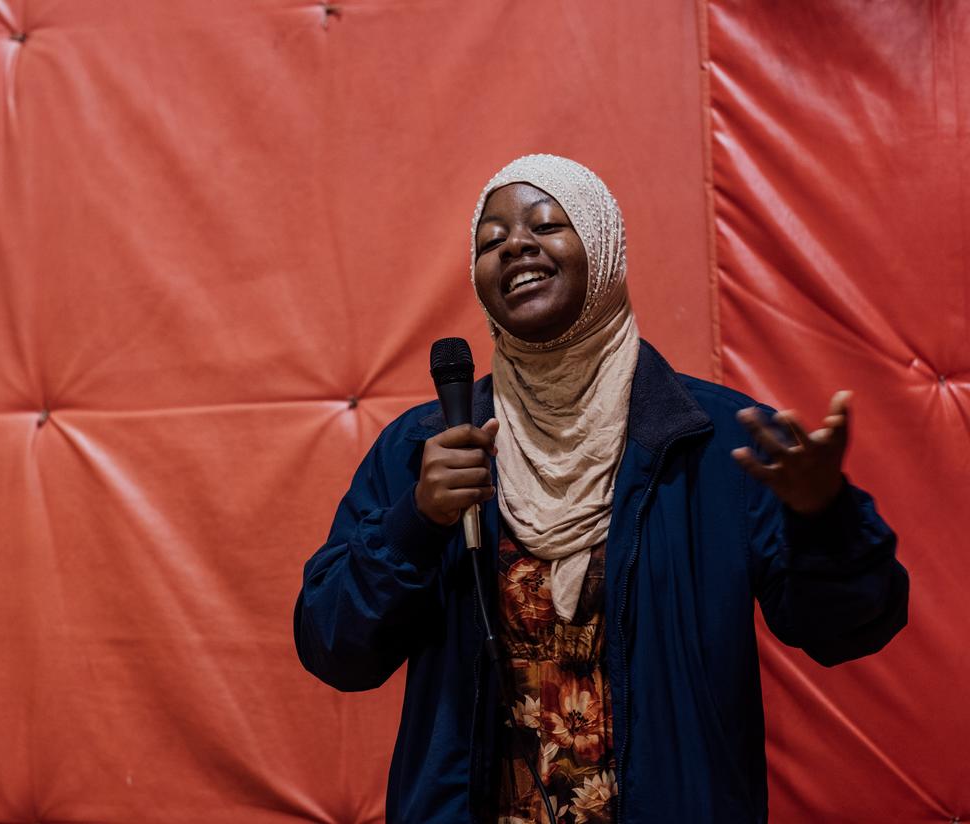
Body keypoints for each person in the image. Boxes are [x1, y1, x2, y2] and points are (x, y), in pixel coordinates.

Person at [293, 154, 908, 824]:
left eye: (547, 224)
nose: (516, 245)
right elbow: (336, 649)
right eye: (491, 241)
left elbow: (846, 631)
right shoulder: (429, 449)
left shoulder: (713, 441)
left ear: (604, 244)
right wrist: (416, 522)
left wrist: (824, 520)